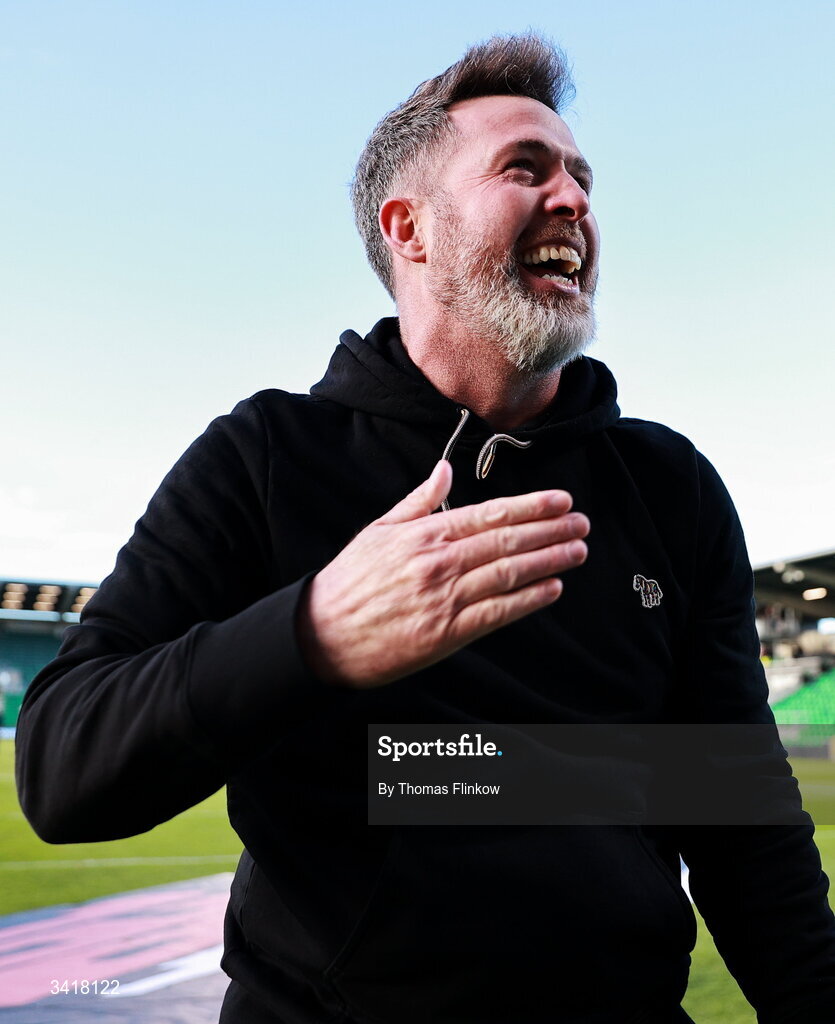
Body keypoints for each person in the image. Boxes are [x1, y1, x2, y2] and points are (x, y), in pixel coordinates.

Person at [15, 34, 835, 1024]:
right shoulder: (267, 456)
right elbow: (63, 767)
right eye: (524, 169)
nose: (574, 200)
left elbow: (741, 826)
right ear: (409, 229)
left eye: (582, 177)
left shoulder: (669, 488)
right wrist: (312, 631)